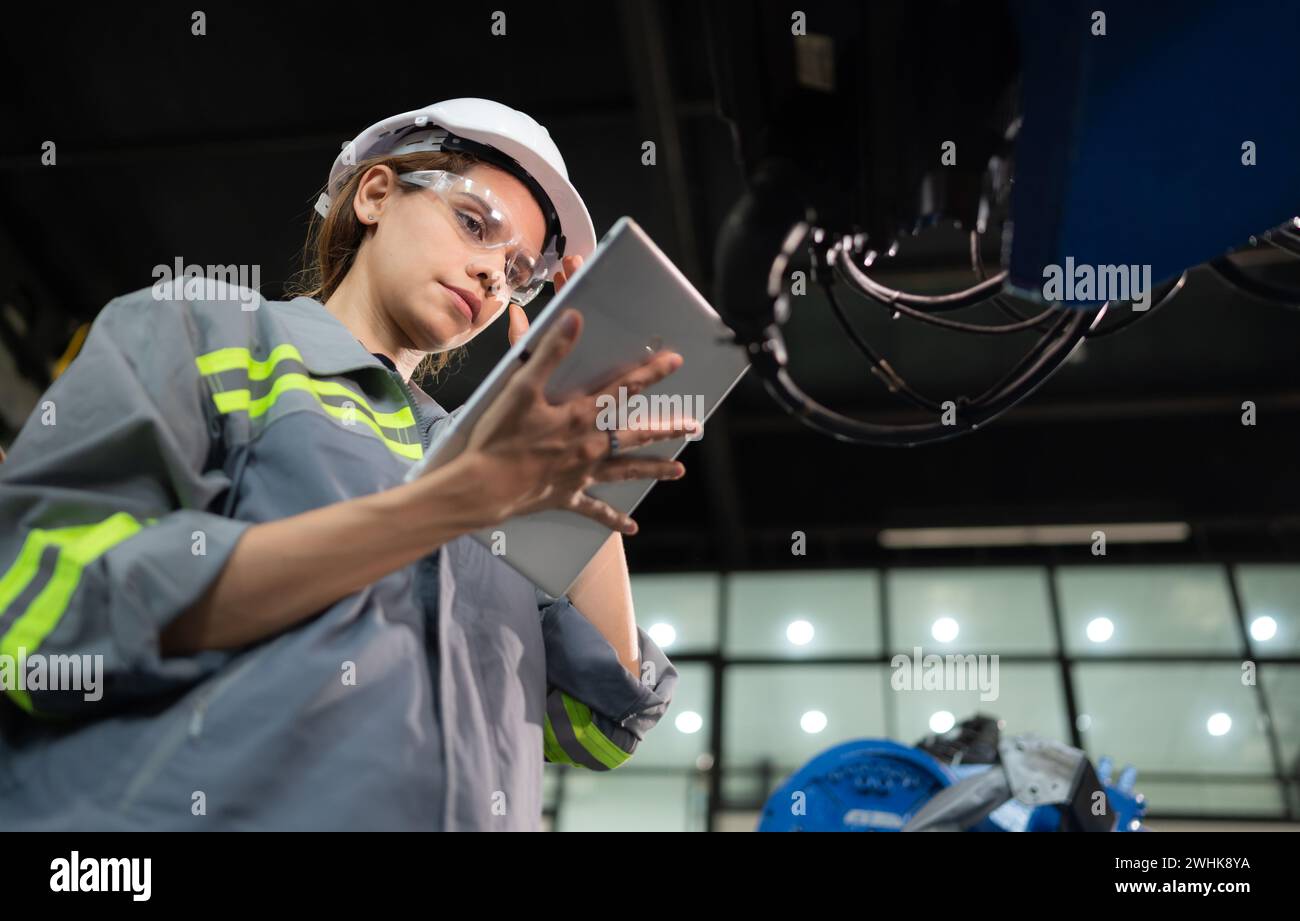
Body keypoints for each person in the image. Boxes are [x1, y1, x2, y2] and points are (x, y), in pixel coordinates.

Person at [0, 98, 695, 830]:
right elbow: (38, 603)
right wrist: (439, 507)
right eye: (473, 223)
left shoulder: (490, 466)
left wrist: (579, 455)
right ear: (376, 193)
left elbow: (596, 719)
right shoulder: (204, 332)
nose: (493, 274)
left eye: (518, 271)